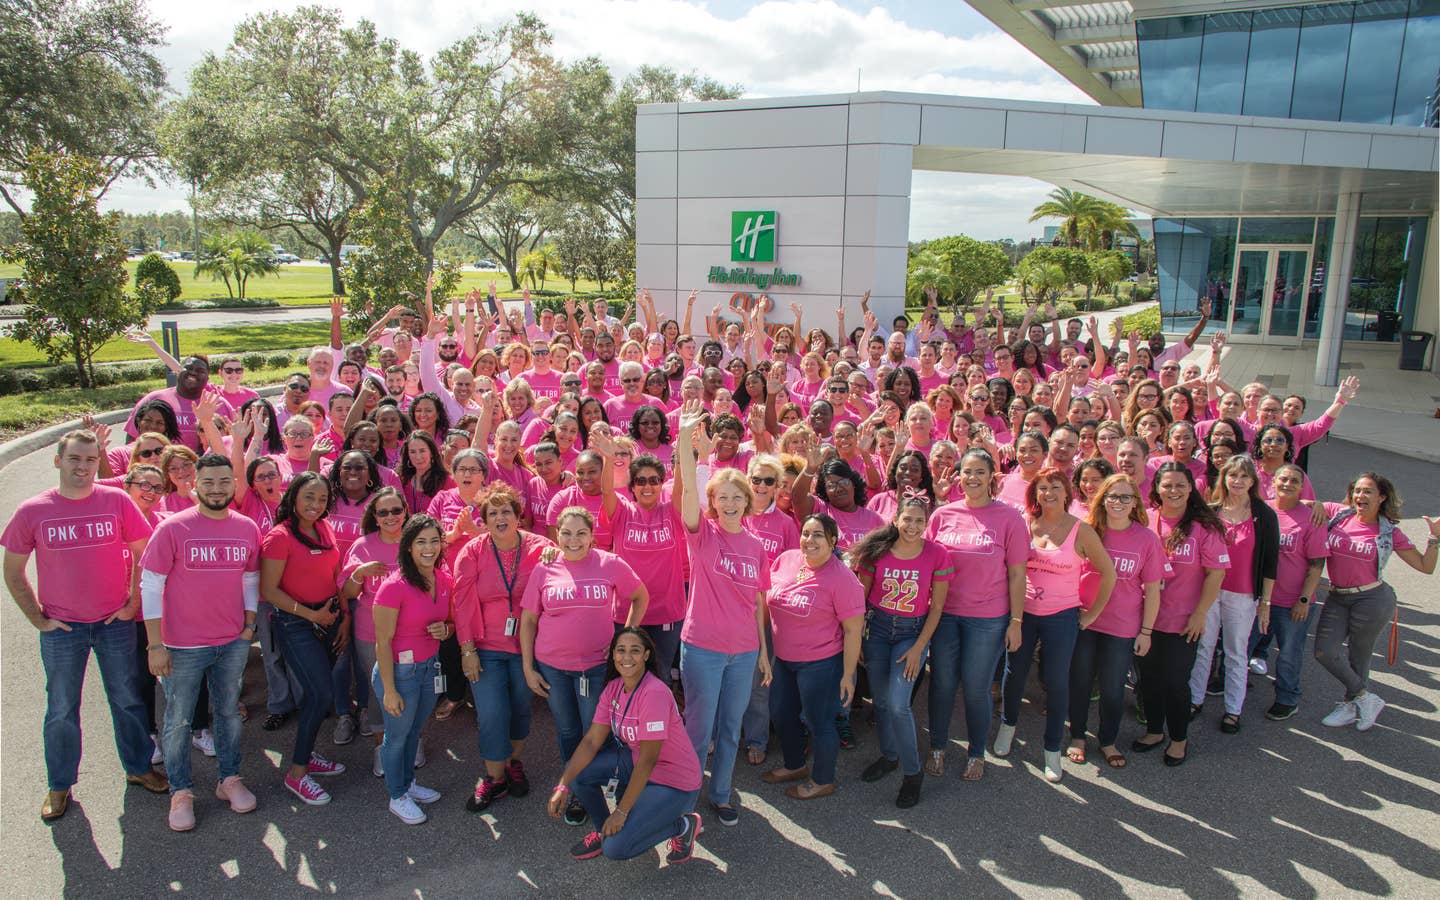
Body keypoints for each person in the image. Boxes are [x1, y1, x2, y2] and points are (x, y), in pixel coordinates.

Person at [2, 430, 167, 821]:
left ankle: (139, 768)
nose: (83, 467)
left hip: (114, 622)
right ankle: (60, 785)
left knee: (127, 700)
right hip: (63, 629)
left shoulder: (116, 501)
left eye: (91, 460)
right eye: (75, 458)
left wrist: (132, 604)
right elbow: (12, 571)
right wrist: (38, 618)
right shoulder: (33, 510)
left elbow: (145, 556)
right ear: (58, 460)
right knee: (61, 708)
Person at [138, 453, 261, 831]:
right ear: (195, 484)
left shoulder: (246, 528)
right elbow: (151, 585)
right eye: (208, 482)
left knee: (227, 713)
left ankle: (229, 779)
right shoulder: (173, 528)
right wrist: (155, 644)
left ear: (233, 485)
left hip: (232, 641)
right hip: (183, 645)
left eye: (225, 482)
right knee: (178, 720)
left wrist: (248, 625)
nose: (217, 489)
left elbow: (250, 579)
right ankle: (181, 791)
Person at [674, 401, 772, 827]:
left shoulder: (756, 547)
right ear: (713, 502)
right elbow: (690, 491)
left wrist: (764, 654)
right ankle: (685, 796)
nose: (730, 503)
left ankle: (721, 793)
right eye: (723, 497)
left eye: (738, 497)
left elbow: (757, 605)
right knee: (698, 730)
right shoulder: (703, 535)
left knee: (731, 728)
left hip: (744, 652)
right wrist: (684, 440)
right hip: (703, 649)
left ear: (747, 502)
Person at [520, 506, 647, 826]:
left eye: (581, 533)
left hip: (595, 667)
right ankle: (575, 786)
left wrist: (625, 642)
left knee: (597, 731)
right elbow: (528, 621)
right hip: (553, 667)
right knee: (567, 730)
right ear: (557, 535)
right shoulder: (544, 568)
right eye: (566, 533)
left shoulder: (609, 563)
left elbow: (640, 597)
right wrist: (527, 667)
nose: (573, 540)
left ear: (592, 536)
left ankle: (595, 785)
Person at [996, 468, 1114, 784]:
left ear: (1067, 492)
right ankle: (1007, 726)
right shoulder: (1024, 525)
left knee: (1058, 680)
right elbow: (1013, 571)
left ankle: (1052, 750)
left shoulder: (1082, 531)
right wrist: (1014, 619)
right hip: (1024, 612)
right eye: (1042, 487)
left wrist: (1091, 615)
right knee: (1014, 671)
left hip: (1062, 615)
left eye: (1055, 487)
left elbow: (1108, 573)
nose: (1048, 493)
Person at [549, 628, 703, 864]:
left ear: (646, 656)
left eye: (635, 651)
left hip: (672, 780)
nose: (627, 657)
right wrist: (562, 785)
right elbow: (591, 741)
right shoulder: (613, 688)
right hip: (635, 763)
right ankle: (604, 831)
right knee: (577, 773)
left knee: (616, 850)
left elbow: (649, 759)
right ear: (613, 655)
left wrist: (621, 813)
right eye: (621, 650)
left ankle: (681, 825)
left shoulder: (654, 693)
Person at [923, 448, 1029, 781]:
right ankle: (938, 747)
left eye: (979, 472)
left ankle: (976, 752)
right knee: (941, 684)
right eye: (966, 472)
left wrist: (1016, 622)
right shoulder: (943, 515)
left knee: (976, 687)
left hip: (988, 619)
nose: (972, 478)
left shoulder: (1009, 518)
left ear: (992, 477)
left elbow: (1017, 574)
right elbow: (925, 562)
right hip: (945, 615)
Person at [1315, 472, 1439, 731]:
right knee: (1324, 651)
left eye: (1368, 491)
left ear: (1382, 497)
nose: (1360, 496)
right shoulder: (1338, 513)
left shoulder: (1388, 532)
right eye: (1357, 490)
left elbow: (1425, 567)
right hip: (1337, 596)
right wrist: (1313, 505)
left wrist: (1434, 539)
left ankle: (1350, 706)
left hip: (1371, 599)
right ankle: (1365, 697)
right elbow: (1308, 504)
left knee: (1359, 656)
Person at [453, 484, 550, 813]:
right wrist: (467, 650)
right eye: (492, 513)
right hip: (485, 647)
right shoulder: (473, 551)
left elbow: (564, 564)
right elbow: (462, 602)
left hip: (527, 648)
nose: (500, 517)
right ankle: (494, 778)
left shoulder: (540, 547)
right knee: (492, 713)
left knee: (521, 709)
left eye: (506, 511)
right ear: (483, 520)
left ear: (517, 515)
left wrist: (556, 554)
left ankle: (513, 763)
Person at [850, 498, 952, 806]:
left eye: (920, 521)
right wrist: (856, 643)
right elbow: (860, 598)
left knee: (898, 704)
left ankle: (912, 773)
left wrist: (920, 647)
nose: (913, 526)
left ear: (927, 523)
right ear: (896, 519)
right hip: (877, 630)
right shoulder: (877, 551)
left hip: (911, 633)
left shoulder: (937, 554)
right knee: (880, 702)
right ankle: (890, 756)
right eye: (907, 519)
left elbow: (937, 608)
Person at [761, 515, 865, 801]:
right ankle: (794, 765)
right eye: (806, 533)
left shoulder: (842, 579)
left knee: (820, 722)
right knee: (782, 715)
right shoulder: (786, 560)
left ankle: (822, 779)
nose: (809, 540)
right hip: (784, 659)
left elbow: (854, 630)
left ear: (833, 541)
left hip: (821, 664)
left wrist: (847, 675)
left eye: (818, 535)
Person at [259, 471, 348, 805]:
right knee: (320, 692)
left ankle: (307, 755)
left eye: (322, 499)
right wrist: (311, 615)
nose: (315, 504)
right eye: (309, 497)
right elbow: (269, 590)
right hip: (297, 621)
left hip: (329, 617)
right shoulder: (279, 537)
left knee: (317, 696)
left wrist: (343, 618)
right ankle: (296, 774)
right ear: (293, 497)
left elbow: (334, 575)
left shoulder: (324, 528)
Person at [1067, 475, 1165, 770]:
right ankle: (1078, 737)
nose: (1118, 502)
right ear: (1102, 499)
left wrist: (1146, 632)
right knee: (1080, 682)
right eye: (1113, 496)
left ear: (1135, 502)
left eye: (1125, 497)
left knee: (1112, 688)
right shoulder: (1088, 530)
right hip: (1084, 620)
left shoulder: (1146, 538)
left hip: (1122, 626)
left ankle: (1108, 740)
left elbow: (1153, 590)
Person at [1136, 463, 1228, 766]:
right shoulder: (1146, 520)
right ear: (1157, 489)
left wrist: (1200, 614)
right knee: (1147, 678)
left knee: (1175, 682)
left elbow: (1215, 574)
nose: (1173, 491)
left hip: (1182, 620)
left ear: (1191, 488)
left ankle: (1178, 738)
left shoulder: (1205, 527)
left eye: (1180, 485)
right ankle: (1153, 730)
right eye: (1167, 485)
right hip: (1144, 617)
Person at [371, 515, 453, 824]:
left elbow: (449, 624)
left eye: (434, 541)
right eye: (421, 542)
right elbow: (382, 642)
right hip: (400, 674)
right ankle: (397, 795)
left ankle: (408, 784)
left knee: (413, 733)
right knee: (397, 736)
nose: (429, 548)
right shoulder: (394, 587)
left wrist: (445, 630)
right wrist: (390, 690)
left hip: (429, 669)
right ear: (408, 547)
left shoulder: (443, 580)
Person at [1189, 455, 1278, 734]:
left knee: (1235, 651)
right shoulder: (1210, 510)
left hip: (1243, 593)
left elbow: (1271, 563)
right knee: (1203, 647)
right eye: (1232, 475)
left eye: (1244, 476)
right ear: (1224, 478)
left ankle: (1233, 709)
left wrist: (1265, 603)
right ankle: (1194, 699)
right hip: (1209, 591)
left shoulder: (1263, 515)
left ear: (1253, 481)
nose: (1237, 481)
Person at [592, 431, 687, 685]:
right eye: (641, 481)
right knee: (623, 675)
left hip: (666, 612)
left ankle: (657, 723)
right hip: (627, 612)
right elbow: (606, 492)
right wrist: (608, 458)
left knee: (660, 675)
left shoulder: (671, 511)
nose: (648, 486)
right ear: (632, 485)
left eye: (654, 480)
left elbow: (682, 487)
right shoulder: (622, 510)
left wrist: (685, 442)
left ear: (661, 483)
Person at [339, 487, 408, 766]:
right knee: (380, 690)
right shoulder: (363, 545)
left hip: (412, 635)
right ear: (375, 517)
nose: (391, 516)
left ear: (405, 512)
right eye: (383, 512)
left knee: (411, 689)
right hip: (372, 634)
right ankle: (382, 748)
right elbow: (347, 591)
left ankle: (410, 741)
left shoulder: (416, 541)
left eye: (396, 510)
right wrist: (359, 572)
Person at [1258, 464, 1329, 721]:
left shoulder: (1311, 517)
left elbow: (1316, 564)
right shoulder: (1261, 510)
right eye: (1283, 479)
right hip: (1260, 598)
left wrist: (1304, 600)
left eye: (1294, 481)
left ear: (1302, 487)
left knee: (1289, 653)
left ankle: (1287, 698)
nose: (1287, 484)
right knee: (1244, 646)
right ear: (1273, 482)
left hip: (1292, 601)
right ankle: (1234, 689)